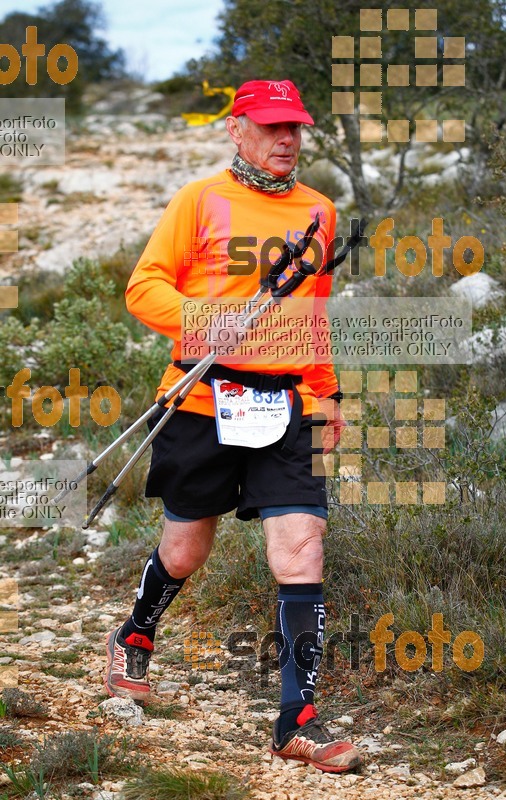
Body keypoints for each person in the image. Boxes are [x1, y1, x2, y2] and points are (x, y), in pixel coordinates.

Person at [104, 79, 363, 774]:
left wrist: (326, 390)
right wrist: (209, 322)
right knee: (185, 551)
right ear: (237, 129)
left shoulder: (319, 213)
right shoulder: (199, 200)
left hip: (286, 407)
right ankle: (136, 633)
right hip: (201, 401)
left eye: (296, 128)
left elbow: (311, 314)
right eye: (272, 126)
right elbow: (144, 287)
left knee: (300, 549)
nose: (287, 139)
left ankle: (295, 720)